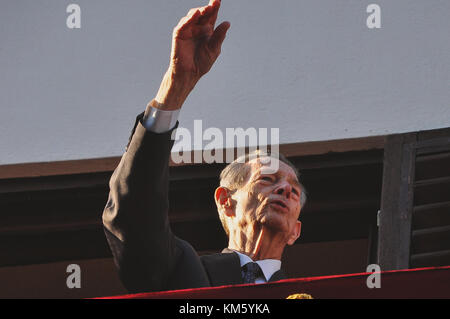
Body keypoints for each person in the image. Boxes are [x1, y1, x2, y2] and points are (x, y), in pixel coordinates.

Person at [102, 0, 306, 293]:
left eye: (294, 190)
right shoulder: (182, 270)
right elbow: (134, 218)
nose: (285, 190)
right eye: (267, 180)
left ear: (295, 231)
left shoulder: (314, 291)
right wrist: (175, 85)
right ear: (226, 201)